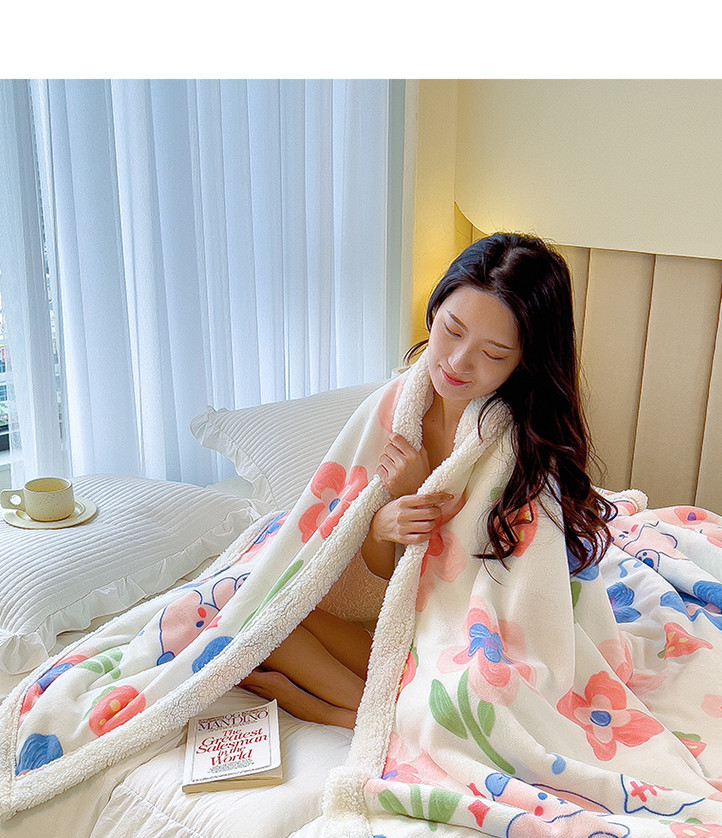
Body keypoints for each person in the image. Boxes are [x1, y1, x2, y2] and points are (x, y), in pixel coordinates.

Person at [240, 233, 615, 729]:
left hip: (458, 639)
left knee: (482, 701)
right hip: (389, 630)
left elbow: (506, 604)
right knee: (260, 614)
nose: (458, 363)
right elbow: (360, 575)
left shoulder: (521, 453)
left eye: (494, 353)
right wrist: (382, 523)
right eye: (452, 330)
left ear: (525, 360)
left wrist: (420, 499)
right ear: (434, 310)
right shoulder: (394, 406)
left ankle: (334, 710)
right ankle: (374, 710)